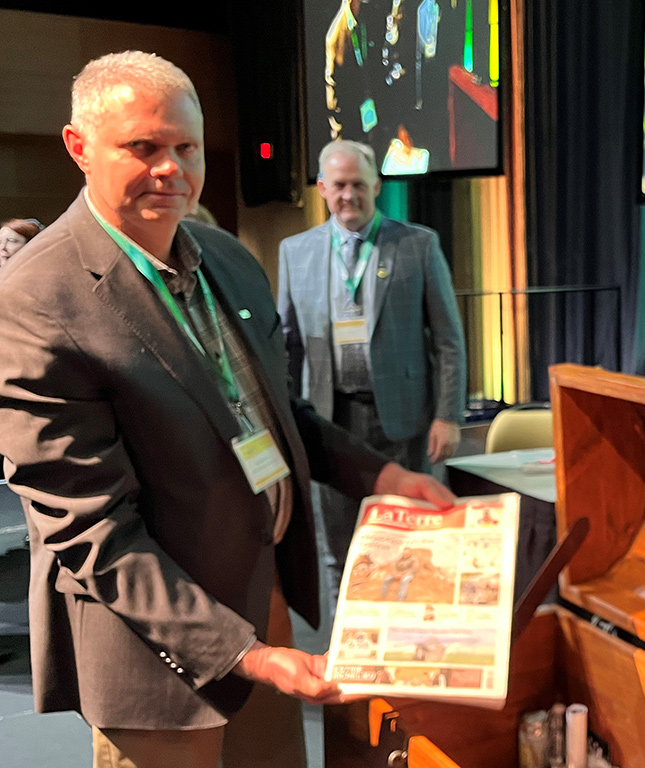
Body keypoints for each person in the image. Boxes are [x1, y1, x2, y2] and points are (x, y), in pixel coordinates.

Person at [0, 51, 456, 768]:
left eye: (186, 147)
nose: (171, 169)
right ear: (78, 146)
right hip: (156, 643)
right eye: (143, 147)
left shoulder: (224, 254)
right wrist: (248, 655)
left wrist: (381, 477)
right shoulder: (35, 298)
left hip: (258, 599)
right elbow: (94, 534)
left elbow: (277, 410)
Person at [278, 138, 466, 601]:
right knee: (340, 539)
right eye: (339, 185)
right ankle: (352, 633)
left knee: (409, 531)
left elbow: (448, 340)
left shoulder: (418, 245)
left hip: (402, 418)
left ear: (377, 185)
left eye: (359, 185)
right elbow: (288, 346)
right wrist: (284, 420)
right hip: (328, 418)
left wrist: (449, 415)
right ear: (322, 187)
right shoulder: (294, 252)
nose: (349, 196)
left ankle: (411, 626)